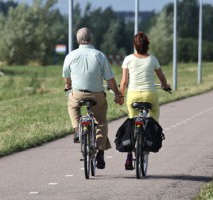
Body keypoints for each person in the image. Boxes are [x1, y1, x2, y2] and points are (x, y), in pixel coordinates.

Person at [62, 27, 123, 169]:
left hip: (78, 93)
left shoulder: (70, 55)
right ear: (91, 39)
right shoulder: (99, 55)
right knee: (101, 121)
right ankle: (100, 152)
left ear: (78, 40)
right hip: (97, 94)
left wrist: (68, 84)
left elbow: (67, 75)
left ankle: (77, 129)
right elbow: (110, 78)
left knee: (72, 106)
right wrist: (117, 94)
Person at [119, 32, 171, 170]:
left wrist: (120, 95)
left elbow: (124, 81)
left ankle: (129, 157)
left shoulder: (128, 59)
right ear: (148, 46)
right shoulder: (152, 60)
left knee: (131, 121)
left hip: (133, 96)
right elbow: (162, 78)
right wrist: (166, 86)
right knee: (154, 116)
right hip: (149, 95)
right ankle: (149, 139)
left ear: (134, 46)